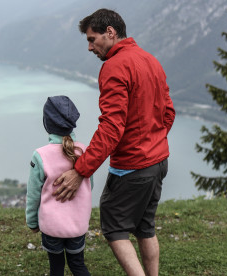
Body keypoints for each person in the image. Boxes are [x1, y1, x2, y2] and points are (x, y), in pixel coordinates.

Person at [52, 9, 175, 276]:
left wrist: (81, 170)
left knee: (114, 227)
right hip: (158, 161)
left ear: (110, 32)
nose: (89, 47)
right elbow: (168, 113)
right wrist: (153, 142)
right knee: (145, 226)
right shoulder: (150, 60)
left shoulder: (114, 66)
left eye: (92, 39)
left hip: (133, 166)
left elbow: (111, 127)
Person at [26, 95, 93, 276]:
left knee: (56, 268)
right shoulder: (84, 151)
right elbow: (89, 186)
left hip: (51, 226)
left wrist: (32, 221)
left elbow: (33, 194)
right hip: (77, 225)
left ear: (46, 124)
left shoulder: (40, 155)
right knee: (78, 265)